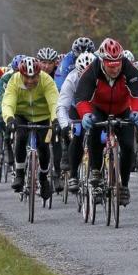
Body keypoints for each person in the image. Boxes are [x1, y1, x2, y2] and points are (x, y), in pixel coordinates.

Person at [75, 38, 138, 205]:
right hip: (99, 109)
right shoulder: (92, 70)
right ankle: (95, 170)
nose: (115, 69)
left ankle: (123, 186)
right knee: (95, 131)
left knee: (129, 146)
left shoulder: (128, 67)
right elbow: (81, 97)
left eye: (118, 65)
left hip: (123, 110)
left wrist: (137, 111)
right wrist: (86, 114)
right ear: (102, 61)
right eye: (111, 66)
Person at [2, 56, 60, 200]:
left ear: (39, 74)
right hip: (22, 116)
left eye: (34, 77)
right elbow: (8, 102)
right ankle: (20, 173)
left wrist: (55, 120)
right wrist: (9, 118)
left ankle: (43, 177)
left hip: (43, 116)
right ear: (21, 74)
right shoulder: (14, 80)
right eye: (26, 77)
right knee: (21, 137)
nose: (30, 81)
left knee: (44, 146)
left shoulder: (46, 80)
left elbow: (54, 102)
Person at [56, 51, 96, 192]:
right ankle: (73, 175)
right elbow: (62, 106)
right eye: (82, 74)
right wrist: (65, 125)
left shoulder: (103, 77)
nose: (86, 77)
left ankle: (100, 171)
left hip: (95, 108)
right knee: (77, 134)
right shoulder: (71, 79)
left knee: (101, 137)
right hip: (75, 108)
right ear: (77, 71)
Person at [37, 47, 64, 192]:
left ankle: (57, 174)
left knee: (56, 138)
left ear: (55, 64)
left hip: (54, 110)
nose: (46, 66)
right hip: (37, 112)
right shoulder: (33, 74)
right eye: (43, 62)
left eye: (50, 63)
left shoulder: (59, 74)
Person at [0, 54, 24, 171]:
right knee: (2, 118)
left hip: (23, 106)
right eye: (16, 71)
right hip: (8, 103)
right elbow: (2, 97)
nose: (19, 74)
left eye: (21, 71)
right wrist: (2, 112)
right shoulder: (6, 78)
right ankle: (7, 142)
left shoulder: (30, 76)